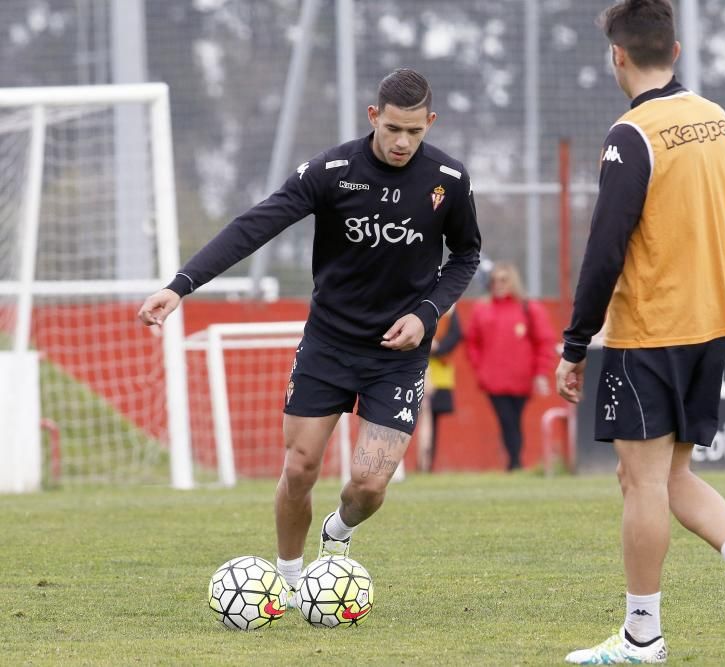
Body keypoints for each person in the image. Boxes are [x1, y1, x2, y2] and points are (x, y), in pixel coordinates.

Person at [137, 68, 481, 601]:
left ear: (430, 123)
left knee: (368, 486)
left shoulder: (449, 182)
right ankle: (292, 583)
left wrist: (428, 312)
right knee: (299, 469)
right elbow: (256, 225)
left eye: (414, 132)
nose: (401, 142)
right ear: (373, 117)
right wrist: (181, 285)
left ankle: (338, 532)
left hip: (399, 354)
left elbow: (466, 256)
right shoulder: (333, 171)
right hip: (329, 345)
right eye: (392, 128)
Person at [554, 1, 725, 663]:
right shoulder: (717, 119)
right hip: (716, 318)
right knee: (673, 472)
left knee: (640, 479)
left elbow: (605, 249)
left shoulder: (632, 134)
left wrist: (576, 344)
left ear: (617, 56)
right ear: (676, 51)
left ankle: (641, 636)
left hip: (653, 324)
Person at [465, 262, 556, 470]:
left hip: (521, 378)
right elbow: (472, 342)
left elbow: (544, 341)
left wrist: (540, 373)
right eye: (495, 280)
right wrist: (480, 368)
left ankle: (515, 461)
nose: (498, 285)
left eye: (504, 280)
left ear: (513, 282)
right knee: (506, 419)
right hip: (493, 379)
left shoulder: (529, 308)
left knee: (514, 419)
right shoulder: (482, 308)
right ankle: (514, 462)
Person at [416, 304, 462, 472]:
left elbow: (456, 334)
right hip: (412, 368)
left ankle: (426, 464)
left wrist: (438, 348)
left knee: (431, 419)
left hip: (438, 372)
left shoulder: (448, 306)